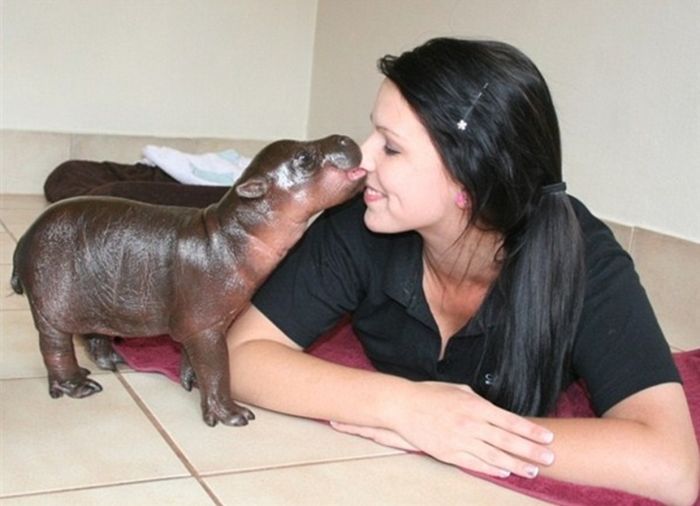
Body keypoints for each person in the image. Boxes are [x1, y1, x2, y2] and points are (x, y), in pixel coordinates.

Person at [226, 38, 699, 504]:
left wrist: (469, 435)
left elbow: (670, 464)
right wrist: (408, 409)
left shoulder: (580, 258)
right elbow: (242, 354)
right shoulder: (358, 226)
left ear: (467, 182)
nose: (360, 161)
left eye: (390, 147)